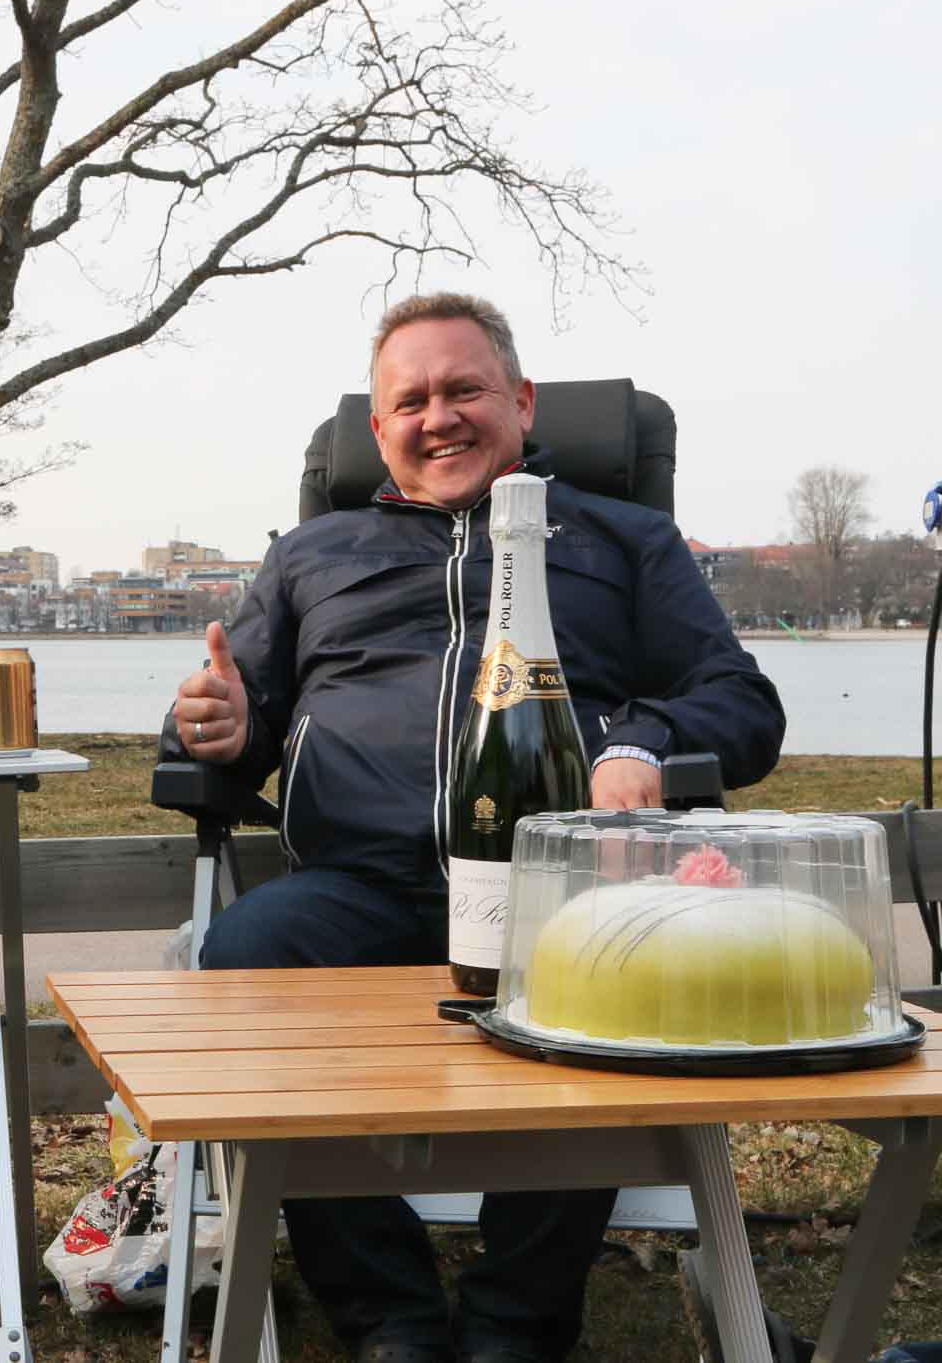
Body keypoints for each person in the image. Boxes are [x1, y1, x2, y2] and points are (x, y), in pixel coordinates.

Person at [165, 292, 784, 1363]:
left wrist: (640, 742)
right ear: (377, 432)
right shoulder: (312, 553)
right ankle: (388, 1320)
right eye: (410, 402)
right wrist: (214, 726)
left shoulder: (626, 540)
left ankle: (514, 1324)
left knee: (619, 974)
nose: (437, 417)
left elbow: (741, 702)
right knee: (245, 954)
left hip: (560, 889)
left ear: (522, 401)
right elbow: (231, 719)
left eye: (464, 390)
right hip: (355, 887)